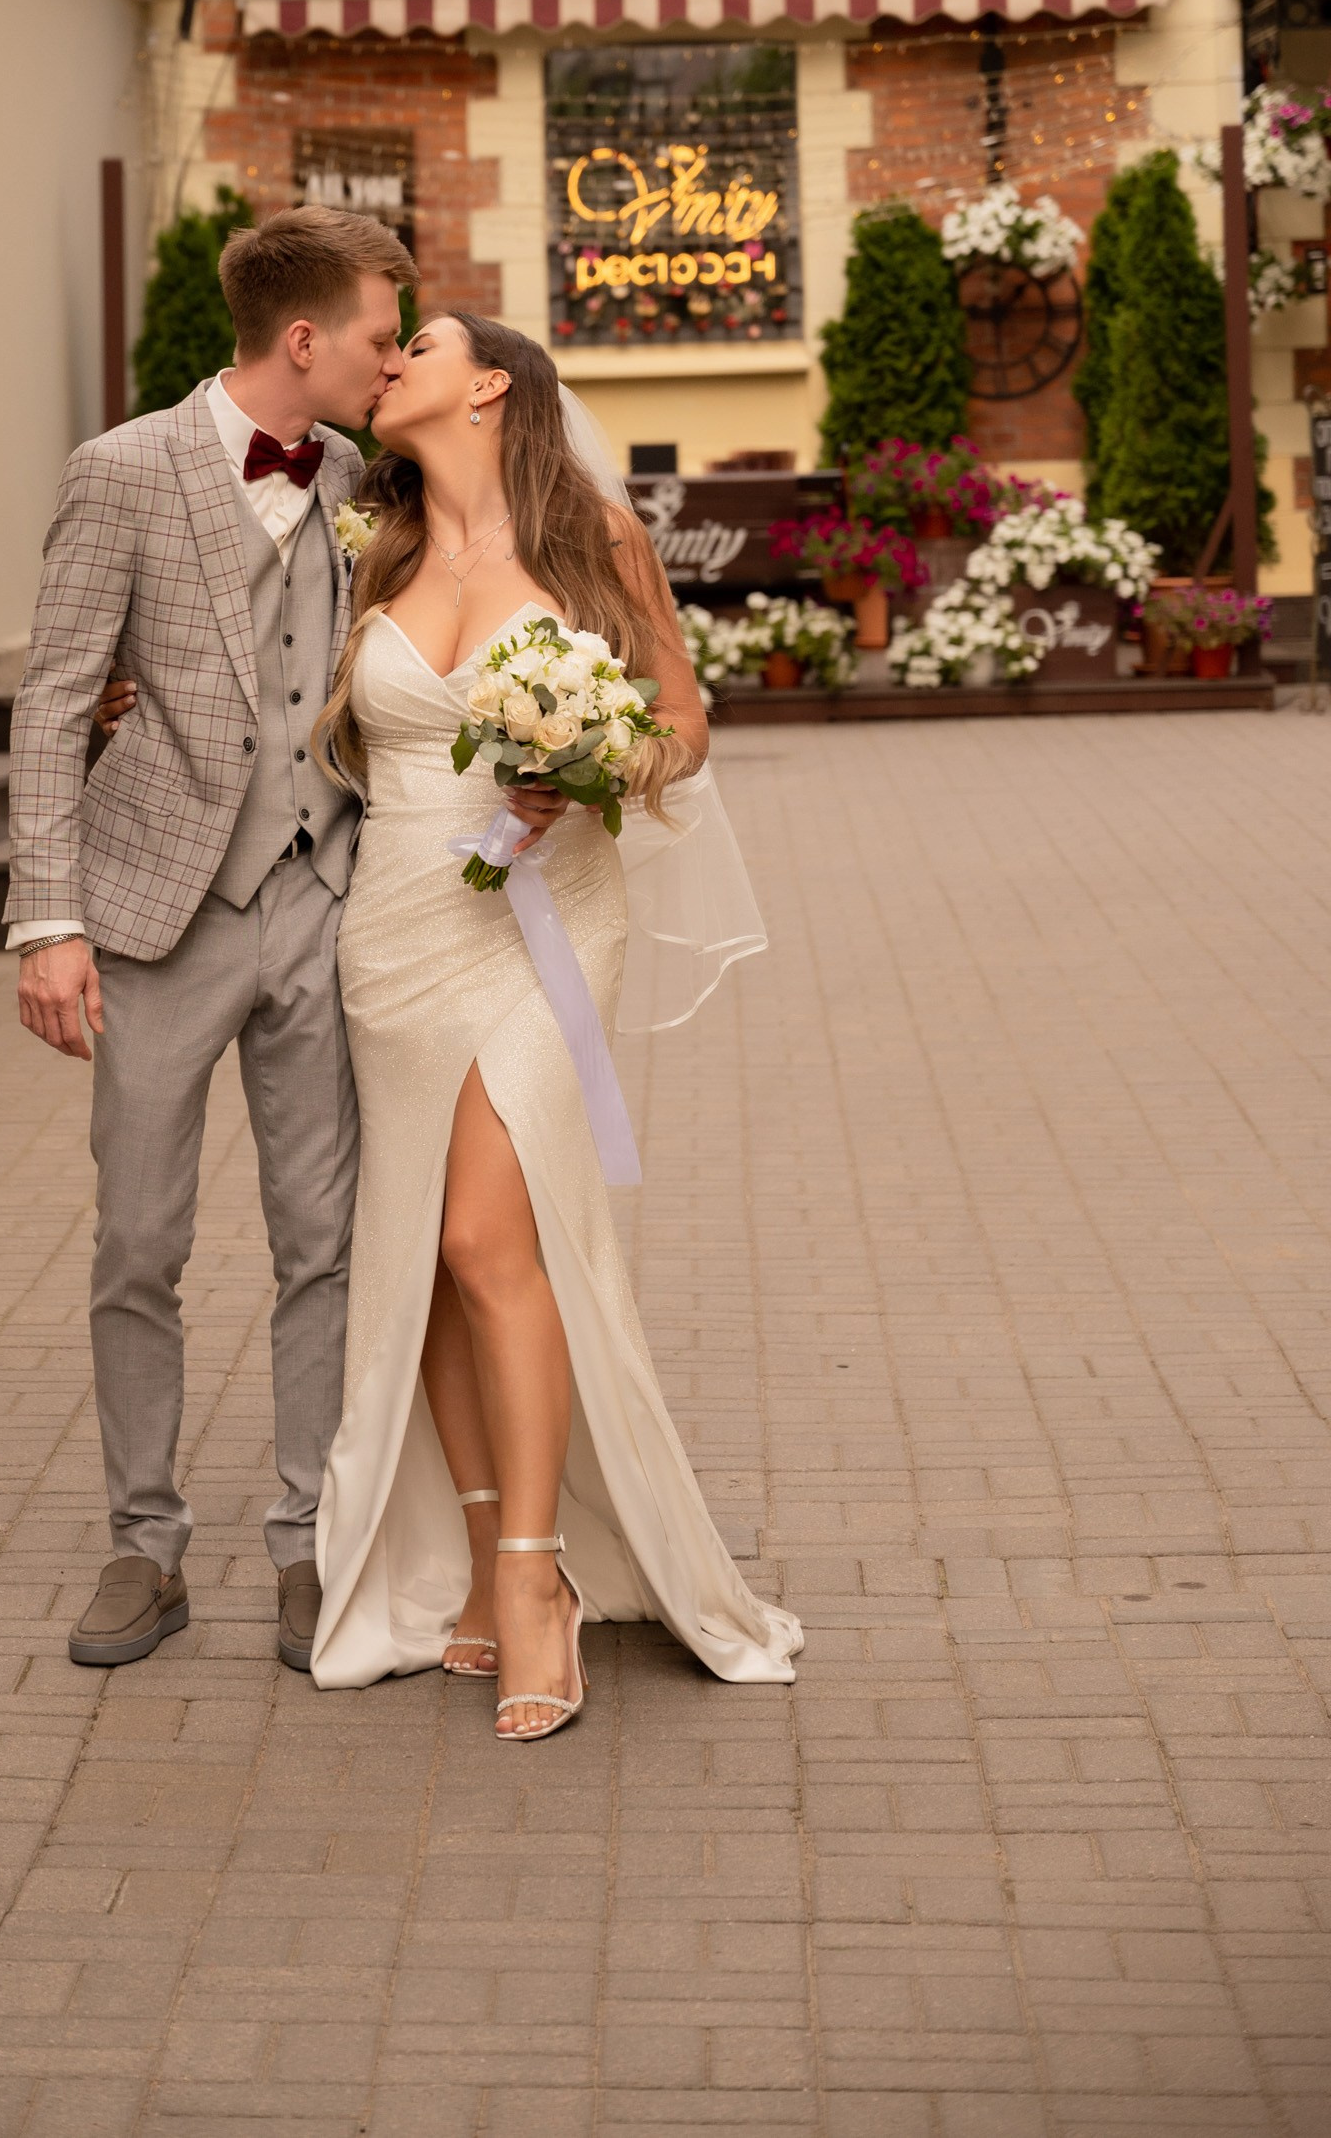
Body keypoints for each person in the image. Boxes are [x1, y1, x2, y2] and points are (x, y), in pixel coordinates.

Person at [309, 312, 803, 1737]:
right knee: (423, 1258)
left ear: (493, 387)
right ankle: (475, 1562)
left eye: (421, 343)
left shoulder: (592, 537)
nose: (389, 359)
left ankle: (538, 1580)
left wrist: (592, 760)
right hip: (395, 933)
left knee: (483, 1237)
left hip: (546, 920)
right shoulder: (377, 547)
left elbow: (684, 726)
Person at [5, 204, 416, 1673]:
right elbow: (57, 700)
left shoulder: (369, 478)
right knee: (139, 1240)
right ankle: (145, 1549)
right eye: (382, 332)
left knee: (326, 1243)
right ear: (303, 340)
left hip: (326, 897)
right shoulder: (121, 474)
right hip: (157, 916)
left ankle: (311, 1545)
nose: (395, 357)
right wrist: (47, 922)